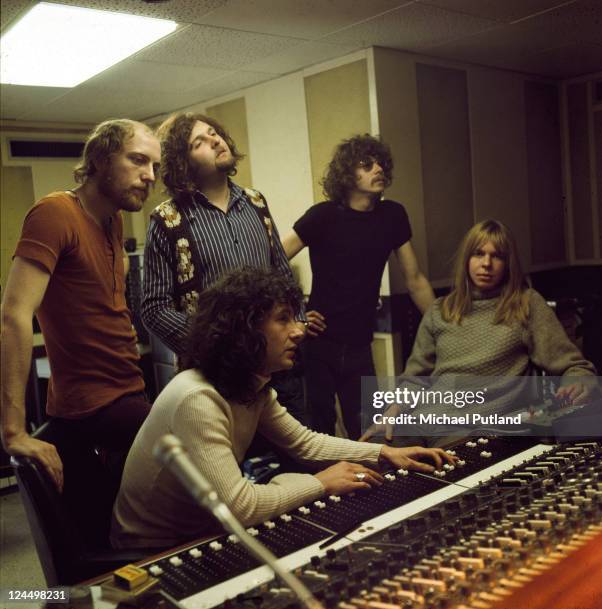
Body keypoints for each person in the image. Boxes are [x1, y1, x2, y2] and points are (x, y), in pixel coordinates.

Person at [111, 267, 455, 549]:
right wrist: (320, 484)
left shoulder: (251, 385)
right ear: (245, 330)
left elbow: (306, 444)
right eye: (283, 319)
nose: (299, 331)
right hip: (154, 551)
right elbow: (240, 506)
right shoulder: (197, 398)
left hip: (203, 533)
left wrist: (381, 452)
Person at [0, 119, 161, 490]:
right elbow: (14, 315)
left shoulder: (113, 220)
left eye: (154, 166)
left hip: (128, 390)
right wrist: (14, 432)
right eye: (138, 160)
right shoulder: (55, 213)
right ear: (101, 159)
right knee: (199, 465)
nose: (149, 175)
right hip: (93, 405)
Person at [142, 112, 315, 423]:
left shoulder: (255, 202)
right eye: (199, 142)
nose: (215, 140)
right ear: (184, 161)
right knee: (228, 468)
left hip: (276, 369)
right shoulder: (167, 220)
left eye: (214, 133)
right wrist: (212, 347)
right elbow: (154, 308)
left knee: (299, 462)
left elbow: (281, 272)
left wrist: (297, 322)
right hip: (215, 378)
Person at [361, 219, 596, 443]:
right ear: (467, 259)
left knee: (432, 475)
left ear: (508, 264)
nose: (486, 264)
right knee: (367, 463)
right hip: (423, 420)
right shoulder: (440, 309)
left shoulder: (526, 304)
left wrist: (577, 383)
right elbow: (415, 379)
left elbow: (574, 366)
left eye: (497, 256)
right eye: (479, 254)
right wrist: (392, 412)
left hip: (480, 428)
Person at [283, 134, 434, 440]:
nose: (377, 168)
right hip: (317, 345)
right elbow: (270, 260)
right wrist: (295, 313)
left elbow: (415, 279)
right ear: (346, 174)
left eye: (380, 163)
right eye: (366, 164)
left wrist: (443, 325)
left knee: (369, 434)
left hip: (359, 347)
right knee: (318, 434)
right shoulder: (322, 216)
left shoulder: (392, 215)